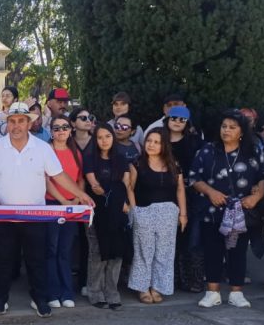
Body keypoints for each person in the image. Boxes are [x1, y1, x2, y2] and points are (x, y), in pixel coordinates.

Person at [0, 102, 93, 316]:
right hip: (4, 215)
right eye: (12, 121)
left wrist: (81, 195)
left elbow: (58, 175)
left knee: (37, 260)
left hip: (35, 215)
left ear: (28, 123)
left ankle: (40, 299)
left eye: (21, 121)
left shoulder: (42, 148)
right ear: (7, 124)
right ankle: (0, 300)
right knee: (2, 259)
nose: (16, 126)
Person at [189, 109, 264, 308]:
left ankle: (236, 292)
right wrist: (210, 192)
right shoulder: (208, 150)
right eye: (224, 126)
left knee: (238, 251)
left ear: (242, 131)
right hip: (212, 210)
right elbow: (194, 177)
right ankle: (212, 292)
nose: (226, 130)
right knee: (212, 251)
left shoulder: (253, 151)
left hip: (241, 210)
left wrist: (257, 196)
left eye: (232, 127)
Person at [127, 129, 187, 303]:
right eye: (149, 141)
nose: (151, 145)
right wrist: (135, 211)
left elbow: (180, 189)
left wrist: (183, 214)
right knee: (144, 252)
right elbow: (130, 188)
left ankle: (157, 287)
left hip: (168, 212)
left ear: (164, 145)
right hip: (144, 211)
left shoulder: (173, 164)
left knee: (164, 252)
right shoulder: (137, 163)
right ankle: (142, 288)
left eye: (156, 142)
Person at [83, 123, 130, 309]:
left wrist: (123, 202)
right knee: (97, 253)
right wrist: (110, 191)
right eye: (100, 137)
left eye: (108, 136)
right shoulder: (90, 158)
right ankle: (95, 292)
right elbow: (94, 185)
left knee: (116, 253)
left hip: (117, 211)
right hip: (97, 212)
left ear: (113, 138)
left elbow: (126, 184)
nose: (104, 141)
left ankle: (112, 292)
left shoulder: (121, 158)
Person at [46, 114, 85, 308]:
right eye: (56, 128)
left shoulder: (75, 152)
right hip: (52, 204)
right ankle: (52, 293)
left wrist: (76, 198)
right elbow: (46, 180)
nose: (61, 131)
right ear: (51, 132)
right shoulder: (46, 151)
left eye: (65, 127)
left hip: (72, 207)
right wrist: (62, 200)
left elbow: (80, 178)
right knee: (51, 249)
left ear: (71, 130)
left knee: (65, 250)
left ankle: (67, 293)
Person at [164, 106, 205, 293]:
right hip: (165, 194)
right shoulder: (160, 139)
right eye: (174, 118)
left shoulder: (195, 142)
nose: (177, 122)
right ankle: (171, 280)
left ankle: (193, 280)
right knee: (169, 240)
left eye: (182, 119)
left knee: (192, 238)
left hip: (191, 194)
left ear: (187, 122)